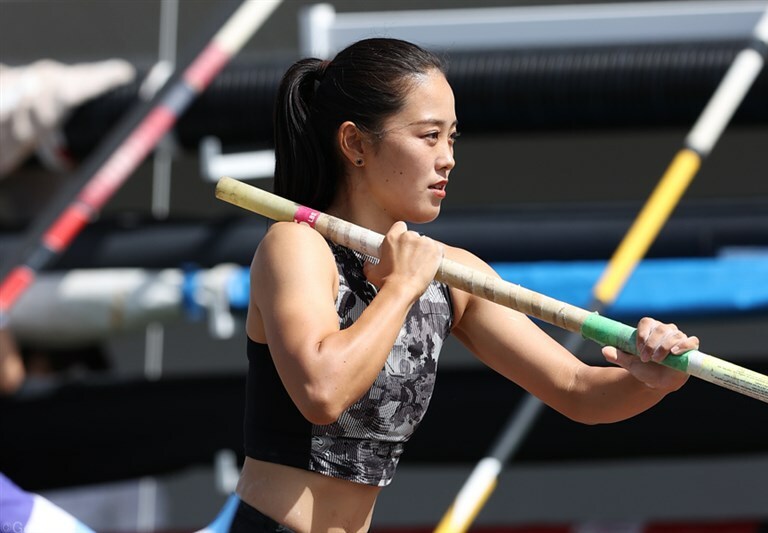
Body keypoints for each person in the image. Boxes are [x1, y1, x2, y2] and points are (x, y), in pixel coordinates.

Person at [232, 38, 699, 532]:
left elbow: (577, 390)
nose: (448, 158)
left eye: (452, 137)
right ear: (354, 144)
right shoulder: (298, 246)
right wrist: (400, 288)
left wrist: (653, 379)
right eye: (429, 136)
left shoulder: (451, 275)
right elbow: (322, 392)